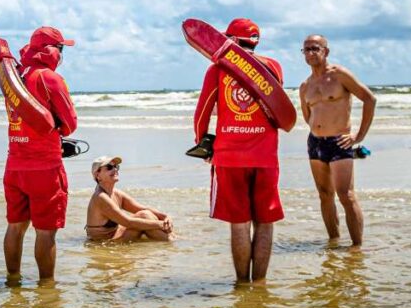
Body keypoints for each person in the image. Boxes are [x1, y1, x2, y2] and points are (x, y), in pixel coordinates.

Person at [193, 18, 284, 284]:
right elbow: (279, 109)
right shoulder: (274, 67)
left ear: (230, 41)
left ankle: (243, 283)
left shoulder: (218, 69)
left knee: (240, 223)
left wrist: (203, 143)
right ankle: (260, 283)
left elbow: (203, 112)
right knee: (265, 222)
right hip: (266, 156)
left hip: (229, 156)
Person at [3, 26, 78, 282]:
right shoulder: (49, 78)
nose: (62, 54)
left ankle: (13, 280)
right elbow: (70, 124)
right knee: (46, 233)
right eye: (61, 49)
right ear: (52, 50)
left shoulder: (15, 76)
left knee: (15, 227)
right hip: (45, 168)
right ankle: (46, 287)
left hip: (14, 165)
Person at [298, 34, 376, 247]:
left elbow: (370, 99)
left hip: (339, 143)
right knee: (324, 195)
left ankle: (356, 247)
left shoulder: (339, 75)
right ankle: (333, 242)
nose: (310, 53)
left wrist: (358, 136)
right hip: (315, 143)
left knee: (346, 195)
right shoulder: (305, 86)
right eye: (306, 49)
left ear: (326, 51)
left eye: (315, 48)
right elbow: (308, 116)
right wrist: (318, 128)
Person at [85, 156, 174, 242]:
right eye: (109, 167)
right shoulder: (100, 197)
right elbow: (128, 222)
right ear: (97, 175)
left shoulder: (116, 193)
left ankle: (172, 239)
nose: (115, 169)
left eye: (116, 166)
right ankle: (174, 243)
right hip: (106, 243)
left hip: (117, 234)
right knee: (144, 216)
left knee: (145, 214)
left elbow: (142, 208)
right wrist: (161, 224)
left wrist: (165, 217)